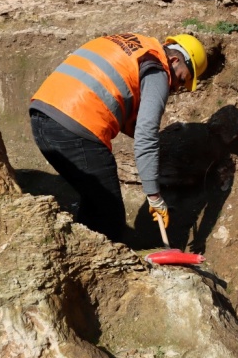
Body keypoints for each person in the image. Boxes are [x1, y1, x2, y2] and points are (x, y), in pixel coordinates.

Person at [29, 32, 207, 241]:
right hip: (74, 125)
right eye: (181, 78)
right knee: (109, 214)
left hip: (42, 115)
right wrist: (154, 195)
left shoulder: (136, 44)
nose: (176, 87)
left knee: (95, 202)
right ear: (175, 60)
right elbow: (145, 136)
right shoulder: (158, 69)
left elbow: (115, 95)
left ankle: (80, 254)